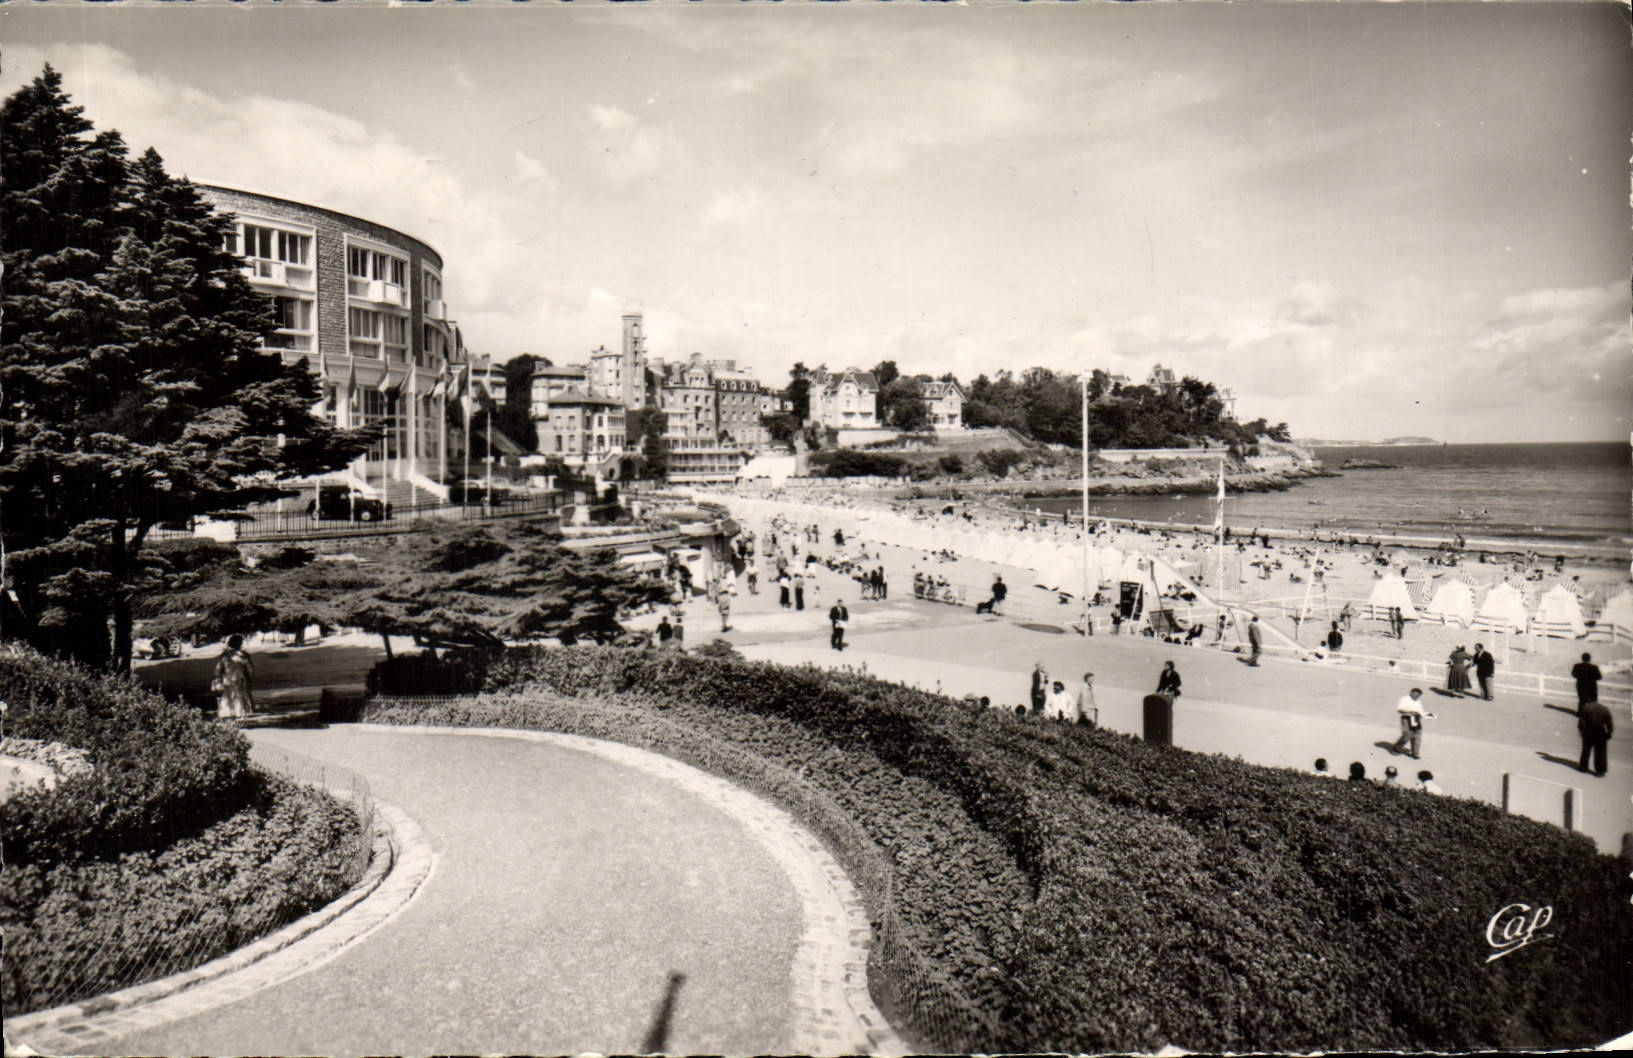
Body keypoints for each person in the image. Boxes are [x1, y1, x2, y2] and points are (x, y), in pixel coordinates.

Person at [211, 635, 255, 720]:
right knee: (240, 698)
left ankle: (230, 715)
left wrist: (217, 681)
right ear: (240, 644)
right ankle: (240, 716)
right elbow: (250, 670)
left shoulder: (224, 656)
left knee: (228, 698)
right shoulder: (244, 656)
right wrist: (250, 678)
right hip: (241, 680)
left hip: (228, 681)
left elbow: (218, 670)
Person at [1390, 688, 1432, 760]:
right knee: (1407, 735)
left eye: (1418, 695)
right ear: (1411, 692)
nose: (1416, 696)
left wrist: (1425, 715)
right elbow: (1400, 710)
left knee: (1417, 736)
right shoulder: (1404, 699)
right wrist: (1410, 712)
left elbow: (1421, 711)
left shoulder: (1418, 701)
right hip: (1407, 718)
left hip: (1416, 719)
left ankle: (1415, 753)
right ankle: (1397, 747)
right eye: (1415, 694)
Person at [1577, 697, 1613, 777]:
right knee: (1600, 752)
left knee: (1586, 751)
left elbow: (1581, 723)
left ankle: (1583, 768)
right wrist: (1609, 733)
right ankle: (1600, 771)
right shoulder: (1605, 709)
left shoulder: (1586, 708)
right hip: (1600, 732)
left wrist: (1581, 731)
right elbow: (1609, 724)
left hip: (1588, 732)